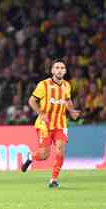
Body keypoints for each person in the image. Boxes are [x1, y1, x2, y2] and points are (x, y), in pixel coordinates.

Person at [21, 60, 80, 188]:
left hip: (60, 124)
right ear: (52, 71)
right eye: (57, 68)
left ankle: (53, 179)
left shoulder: (67, 86)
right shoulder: (44, 85)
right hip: (45, 124)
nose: (59, 70)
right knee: (44, 155)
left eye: (62, 68)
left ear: (65, 71)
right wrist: (40, 113)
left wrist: (72, 111)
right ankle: (31, 156)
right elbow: (31, 101)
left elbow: (68, 101)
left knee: (60, 150)